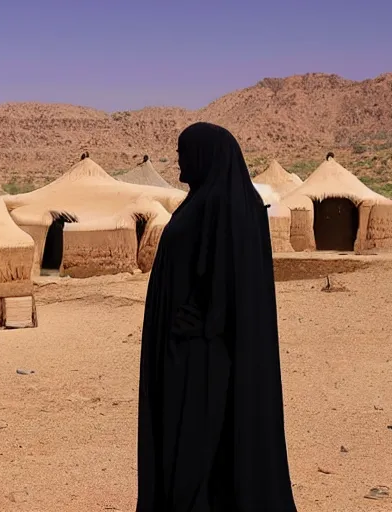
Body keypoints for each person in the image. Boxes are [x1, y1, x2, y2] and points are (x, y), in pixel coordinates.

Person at [136, 122, 297, 511]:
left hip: (203, 355)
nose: (178, 160)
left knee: (195, 441)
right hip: (182, 347)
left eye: (184, 153)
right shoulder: (200, 201)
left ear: (206, 156)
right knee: (178, 438)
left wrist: (202, 324)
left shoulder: (227, 206)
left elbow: (232, 278)